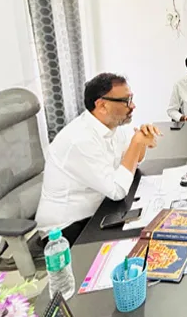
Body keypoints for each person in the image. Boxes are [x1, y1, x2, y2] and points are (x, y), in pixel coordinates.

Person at [35, 73, 162, 244]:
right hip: (66, 228)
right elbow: (117, 190)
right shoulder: (79, 140)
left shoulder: (112, 125)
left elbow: (132, 162)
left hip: (101, 207)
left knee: (155, 221)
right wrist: (136, 142)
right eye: (126, 101)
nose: (133, 106)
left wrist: (141, 142)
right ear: (102, 105)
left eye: (131, 99)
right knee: (144, 239)